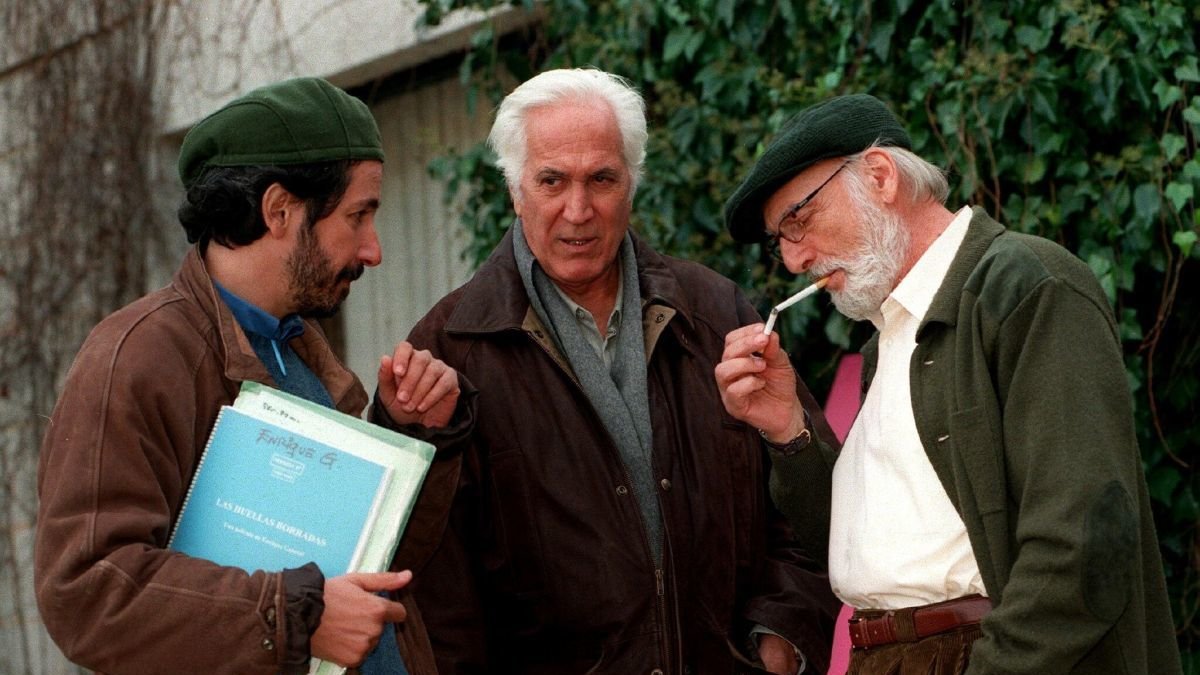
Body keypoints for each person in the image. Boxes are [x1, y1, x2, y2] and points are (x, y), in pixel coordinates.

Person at [716, 93, 1182, 674]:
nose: (793, 260)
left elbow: (1084, 545)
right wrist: (789, 429)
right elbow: (864, 553)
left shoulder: (1026, 286)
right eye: (779, 241)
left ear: (880, 175)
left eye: (799, 221)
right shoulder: (891, 337)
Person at [403, 67, 840, 675]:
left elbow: (811, 510)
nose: (578, 209)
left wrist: (780, 642)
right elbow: (437, 593)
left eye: (601, 179)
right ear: (515, 190)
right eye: (552, 180)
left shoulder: (716, 314)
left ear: (631, 184)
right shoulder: (451, 349)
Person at [35, 77, 474, 675]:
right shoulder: (138, 357)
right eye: (357, 216)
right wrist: (294, 618)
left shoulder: (298, 349)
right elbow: (88, 593)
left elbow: (377, 569)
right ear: (279, 210)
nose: (373, 251)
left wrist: (414, 433)